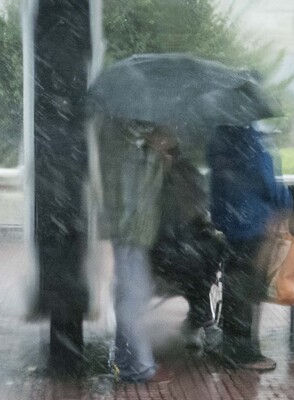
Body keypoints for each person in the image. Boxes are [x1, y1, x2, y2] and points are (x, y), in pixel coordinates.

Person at [207, 124, 292, 371]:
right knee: (248, 290)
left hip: (230, 223)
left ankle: (231, 345)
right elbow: (269, 182)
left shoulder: (218, 140)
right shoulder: (251, 141)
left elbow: (218, 184)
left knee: (235, 286)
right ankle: (243, 353)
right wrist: (286, 202)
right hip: (253, 225)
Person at [97, 117, 175, 383]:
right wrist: (155, 160)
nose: (171, 140)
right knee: (134, 298)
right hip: (130, 235)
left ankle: (125, 360)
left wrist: (159, 164)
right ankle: (142, 367)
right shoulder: (132, 152)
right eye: (166, 135)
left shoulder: (141, 153)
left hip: (133, 235)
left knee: (128, 296)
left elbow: (142, 194)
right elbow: (133, 199)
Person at [150, 155, 227, 350]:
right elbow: (162, 235)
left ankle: (200, 321)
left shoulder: (195, 207)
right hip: (168, 254)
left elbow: (204, 225)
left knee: (206, 257)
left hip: (188, 254)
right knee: (195, 266)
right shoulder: (161, 198)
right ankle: (204, 322)